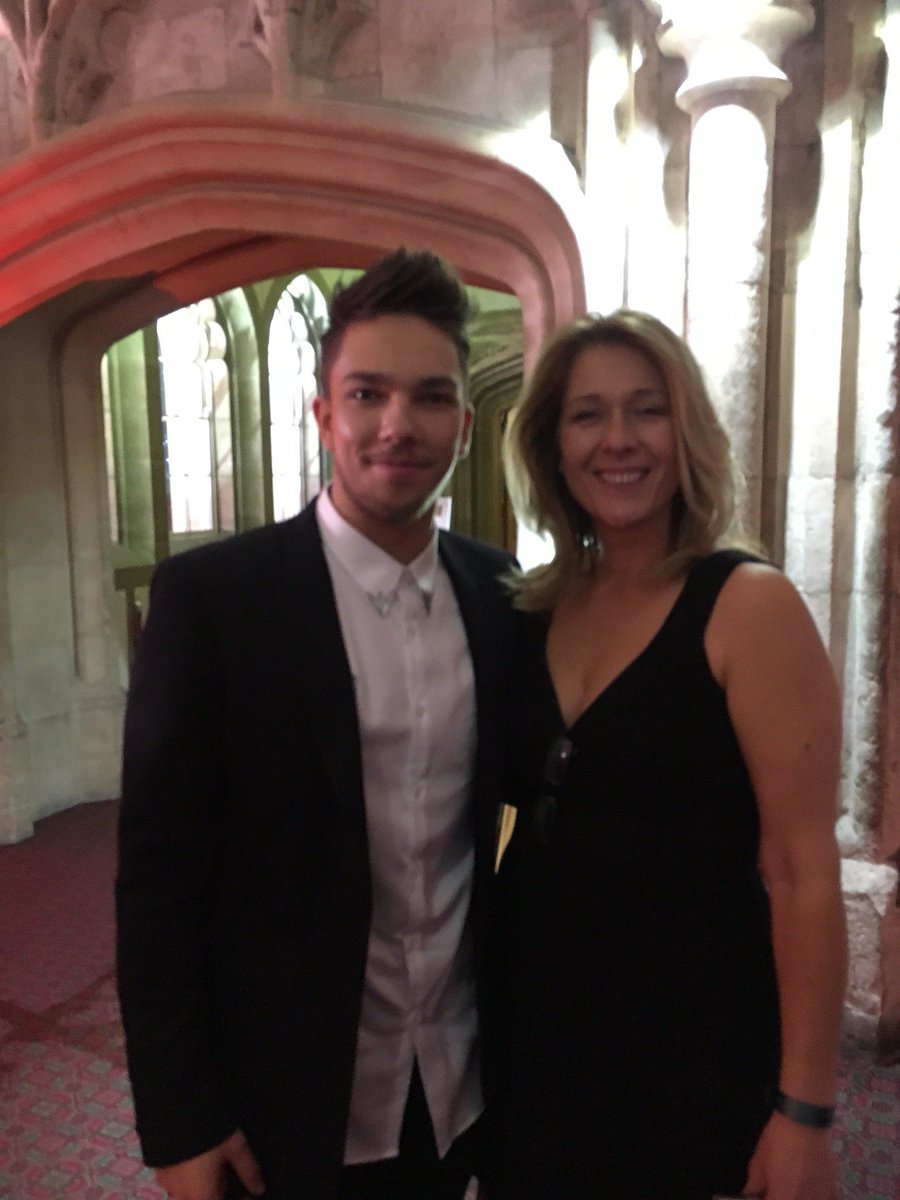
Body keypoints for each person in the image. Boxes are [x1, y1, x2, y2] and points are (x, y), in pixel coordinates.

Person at [115, 248, 518, 1200]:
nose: (396, 425)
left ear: (464, 424)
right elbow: (158, 882)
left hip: (456, 1084)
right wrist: (181, 1118)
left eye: (428, 398)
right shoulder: (217, 600)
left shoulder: (500, 594)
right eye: (367, 393)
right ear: (323, 412)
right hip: (286, 1097)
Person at [492, 310, 847, 1200]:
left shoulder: (746, 605)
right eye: (587, 415)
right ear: (551, 445)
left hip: (692, 1054)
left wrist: (803, 1111)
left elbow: (804, 874)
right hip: (534, 1047)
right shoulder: (534, 607)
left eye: (646, 411)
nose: (618, 440)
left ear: (684, 433)